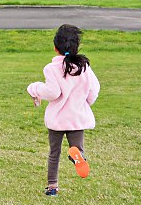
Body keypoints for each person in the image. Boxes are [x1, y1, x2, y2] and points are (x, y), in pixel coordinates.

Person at [27, 24, 100, 196]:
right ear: (76, 46)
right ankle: (78, 155)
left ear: (55, 47)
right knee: (76, 147)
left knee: (54, 153)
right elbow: (94, 90)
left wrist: (34, 88)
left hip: (58, 120)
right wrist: (84, 103)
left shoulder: (52, 68)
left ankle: (52, 187)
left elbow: (53, 92)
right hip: (77, 117)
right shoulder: (84, 67)